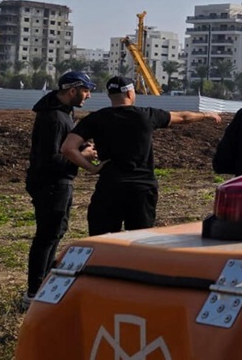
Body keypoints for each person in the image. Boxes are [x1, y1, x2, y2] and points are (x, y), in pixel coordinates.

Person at [62, 76, 221, 236]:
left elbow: (68, 148)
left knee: (102, 241)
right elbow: (183, 117)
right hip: (142, 190)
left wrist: (92, 168)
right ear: (130, 94)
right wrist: (206, 115)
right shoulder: (146, 115)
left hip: (110, 188)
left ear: (110, 95)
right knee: (140, 241)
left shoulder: (95, 119)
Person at [22, 71, 97, 309]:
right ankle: (34, 292)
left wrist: (81, 147)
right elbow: (50, 158)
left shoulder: (62, 112)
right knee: (47, 235)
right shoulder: (53, 118)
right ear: (72, 90)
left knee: (55, 232)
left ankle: (43, 282)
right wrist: (81, 155)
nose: (89, 95)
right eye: (86, 90)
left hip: (57, 182)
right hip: (51, 183)